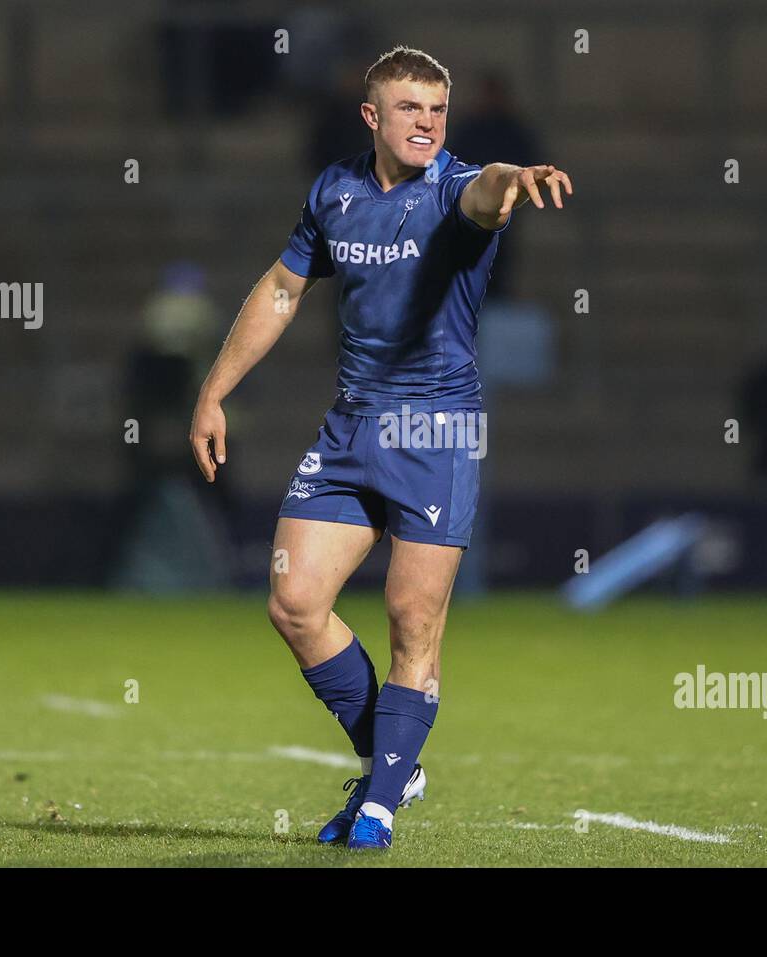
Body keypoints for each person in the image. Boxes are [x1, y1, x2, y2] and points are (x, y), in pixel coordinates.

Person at [188, 46, 572, 851]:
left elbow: (488, 190)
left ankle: (380, 804)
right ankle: (395, 762)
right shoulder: (335, 190)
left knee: (410, 621)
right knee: (294, 604)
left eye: (437, 109)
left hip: (435, 432)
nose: (427, 123)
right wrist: (214, 390)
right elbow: (285, 288)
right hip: (352, 427)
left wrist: (513, 177)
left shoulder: (453, 191)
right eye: (409, 109)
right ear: (373, 117)